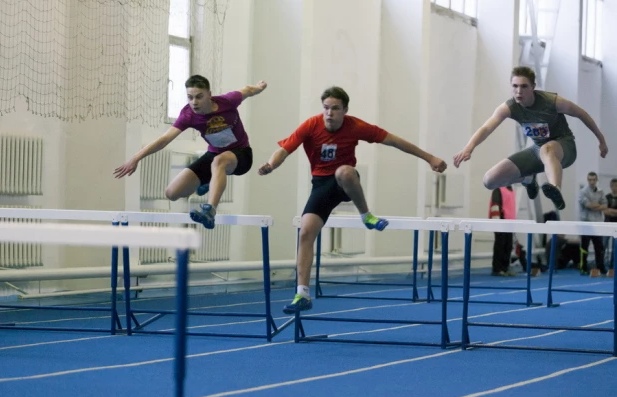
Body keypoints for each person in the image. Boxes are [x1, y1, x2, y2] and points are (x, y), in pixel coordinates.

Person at [258, 86, 447, 313]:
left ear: (345, 110)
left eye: (335, 109)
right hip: (321, 185)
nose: (329, 113)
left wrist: (429, 158)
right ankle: (302, 294)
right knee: (306, 232)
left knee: (344, 172)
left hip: (345, 182)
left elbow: (395, 141)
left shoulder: (356, 126)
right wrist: (270, 165)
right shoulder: (311, 125)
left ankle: (366, 215)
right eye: (326, 108)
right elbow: (285, 149)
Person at [114, 75, 267, 229]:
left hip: (241, 154)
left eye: (199, 97)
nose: (194, 102)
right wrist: (136, 158)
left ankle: (210, 211)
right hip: (214, 155)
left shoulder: (227, 101)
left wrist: (259, 87)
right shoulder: (188, 115)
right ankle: (209, 181)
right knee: (171, 193)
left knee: (219, 162)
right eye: (190, 97)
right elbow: (164, 139)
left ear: (209, 95)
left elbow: (248, 90)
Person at [453, 66, 609, 211]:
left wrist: (601, 140)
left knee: (547, 149)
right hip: (537, 150)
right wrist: (469, 147)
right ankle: (527, 179)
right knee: (489, 180)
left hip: (564, 147)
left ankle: (555, 189)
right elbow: (486, 128)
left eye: (524, 86)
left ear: (533, 87)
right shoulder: (509, 107)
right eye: (515, 86)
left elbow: (582, 114)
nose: (519, 91)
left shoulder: (551, 102)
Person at [578, 172, 607, 275]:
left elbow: (605, 205)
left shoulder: (601, 191)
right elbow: (588, 205)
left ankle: (601, 267)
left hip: (598, 223)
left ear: (596, 180)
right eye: (590, 180)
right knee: (584, 247)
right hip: (586, 223)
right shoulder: (582, 192)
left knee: (599, 247)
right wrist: (599, 206)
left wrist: (596, 206)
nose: (592, 182)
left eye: (593, 179)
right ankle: (583, 267)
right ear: (587, 180)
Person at [489, 185, 516, 276]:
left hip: (510, 223)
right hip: (501, 221)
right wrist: (497, 223)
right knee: (500, 245)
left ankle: (505, 268)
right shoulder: (498, 189)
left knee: (508, 246)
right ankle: (497, 268)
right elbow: (495, 205)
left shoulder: (511, 190)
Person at [603, 178, 617, 270]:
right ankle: (600, 265)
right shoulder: (606, 197)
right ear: (611, 186)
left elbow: (608, 210)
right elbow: (604, 211)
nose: (615, 187)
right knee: (603, 245)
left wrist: (610, 210)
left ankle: (613, 266)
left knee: (614, 247)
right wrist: (614, 211)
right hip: (607, 224)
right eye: (613, 186)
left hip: (616, 225)